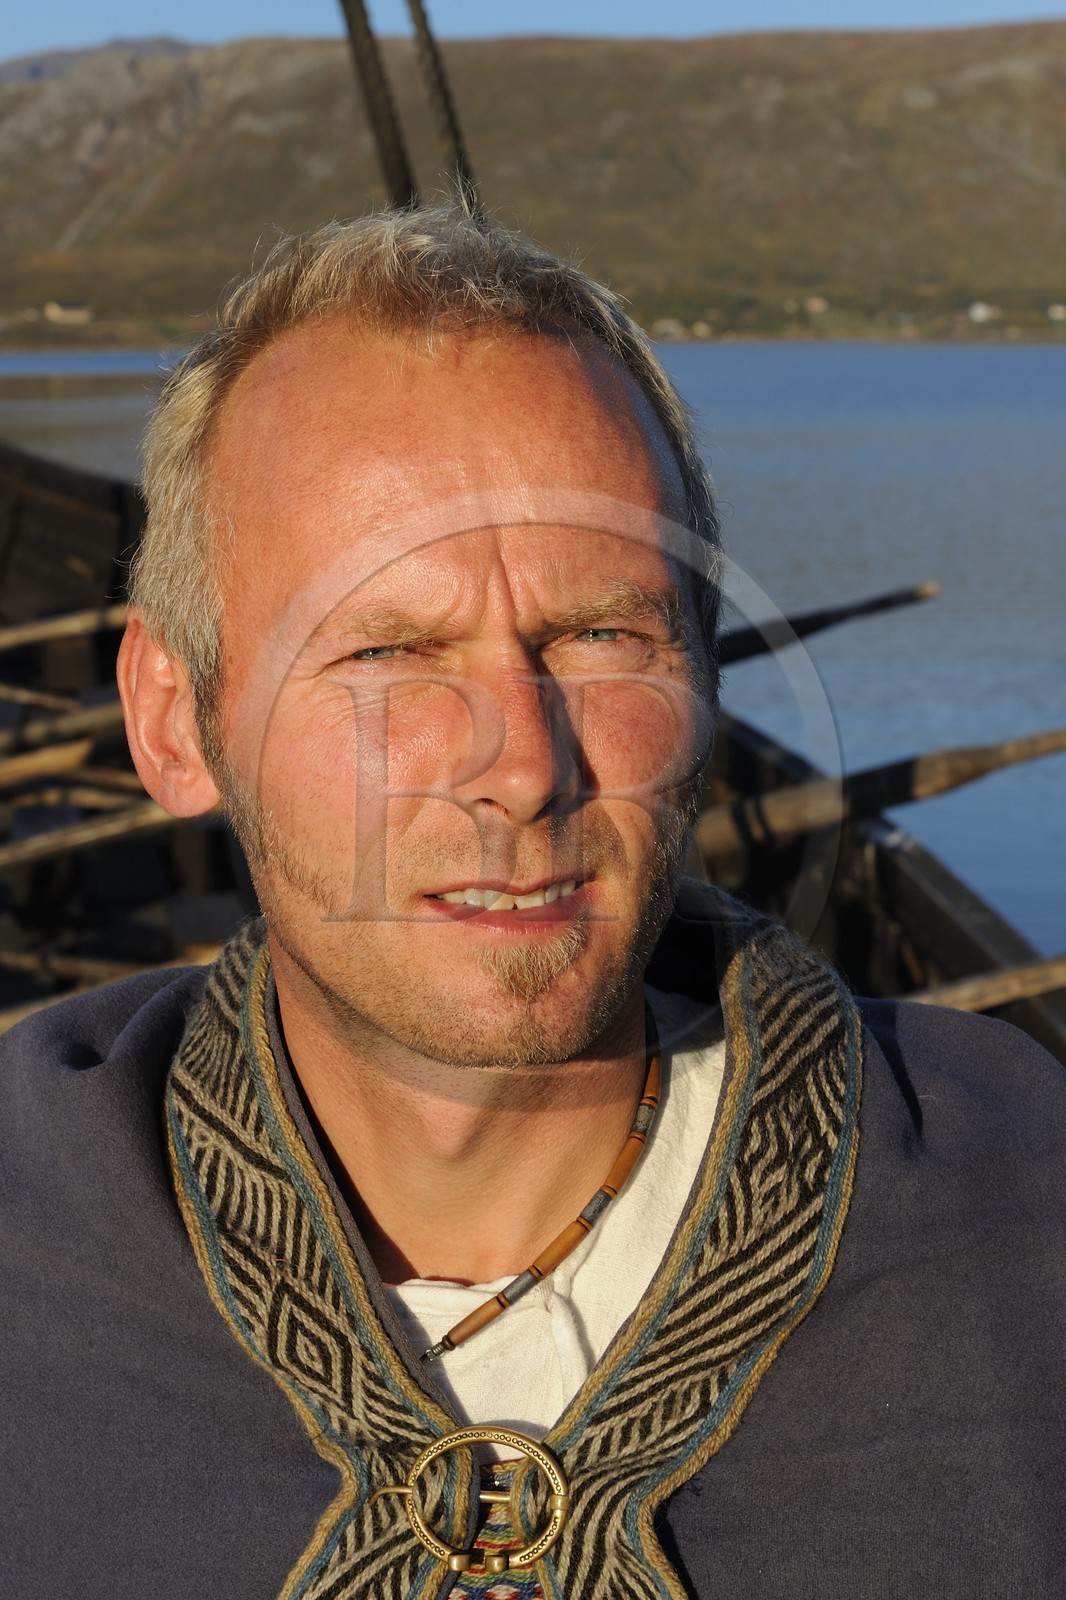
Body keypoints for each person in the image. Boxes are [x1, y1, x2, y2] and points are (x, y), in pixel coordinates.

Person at [2, 205, 1064, 1600]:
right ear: (171, 722)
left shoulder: (1023, 1217)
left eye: (600, 634)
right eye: (385, 648)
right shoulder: (35, 1236)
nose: (519, 765)